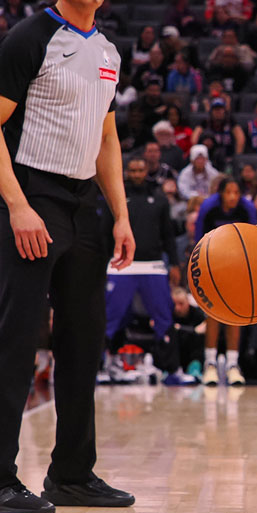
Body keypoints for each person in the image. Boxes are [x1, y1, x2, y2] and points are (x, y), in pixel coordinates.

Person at [0, 0, 136, 513]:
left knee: (83, 341)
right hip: (31, 193)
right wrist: (15, 206)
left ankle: (71, 475)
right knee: (19, 338)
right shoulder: (29, 38)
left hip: (83, 202)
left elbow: (107, 136)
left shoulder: (111, 49)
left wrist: (120, 213)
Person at [102, 156, 177, 376]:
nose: (136, 174)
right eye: (132, 170)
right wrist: (103, 264)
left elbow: (168, 235)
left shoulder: (159, 199)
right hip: (120, 265)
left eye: (140, 170)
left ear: (147, 171)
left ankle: (169, 369)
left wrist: (173, 263)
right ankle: (104, 367)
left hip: (153, 265)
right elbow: (104, 233)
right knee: (110, 318)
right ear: (126, 172)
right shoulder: (116, 197)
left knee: (164, 317)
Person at [193, 177, 256, 386]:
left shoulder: (246, 210)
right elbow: (198, 241)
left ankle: (232, 364)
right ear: (221, 194)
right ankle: (209, 363)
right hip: (212, 264)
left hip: (238, 265)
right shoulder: (209, 208)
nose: (232, 196)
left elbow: (255, 238)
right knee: (212, 313)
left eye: (236, 192)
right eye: (228, 192)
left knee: (234, 314)